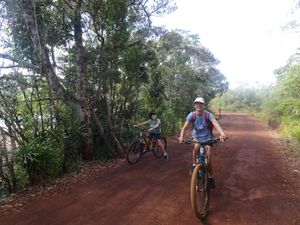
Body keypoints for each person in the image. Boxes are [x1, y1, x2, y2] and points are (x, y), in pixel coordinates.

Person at [178, 97, 226, 188]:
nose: (198, 105)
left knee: (209, 163)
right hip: (197, 137)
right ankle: (194, 165)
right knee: (196, 147)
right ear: (194, 105)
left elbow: (216, 124)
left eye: (200, 103)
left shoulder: (208, 115)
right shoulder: (192, 115)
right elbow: (184, 127)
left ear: (203, 105)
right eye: (196, 103)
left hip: (208, 138)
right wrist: (181, 137)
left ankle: (211, 177)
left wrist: (222, 134)